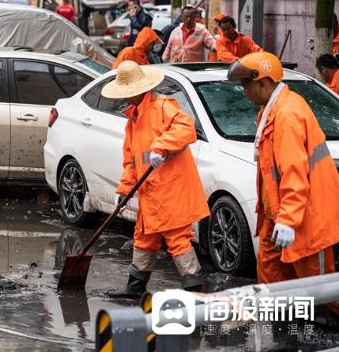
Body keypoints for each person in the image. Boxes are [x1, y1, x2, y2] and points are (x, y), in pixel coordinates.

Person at [227, 52, 339, 314]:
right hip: (278, 215)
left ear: (263, 83)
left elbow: (294, 174)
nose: (244, 91)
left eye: (246, 84)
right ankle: (284, 333)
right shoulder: (271, 112)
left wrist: (287, 220)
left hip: (307, 217)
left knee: (320, 291)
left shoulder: (286, 115)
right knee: (273, 284)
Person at [104, 61, 209, 297]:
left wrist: (161, 146)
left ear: (140, 90)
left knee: (178, 240)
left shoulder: (163, 107)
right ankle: (134, 288)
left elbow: (186, 128)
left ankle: (194, 291)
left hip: (172, 191)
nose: (125, 98)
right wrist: (123, 189)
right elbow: (131, 161)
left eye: (128, 93)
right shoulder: (133, 120)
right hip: (150, 192)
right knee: (144, 237)